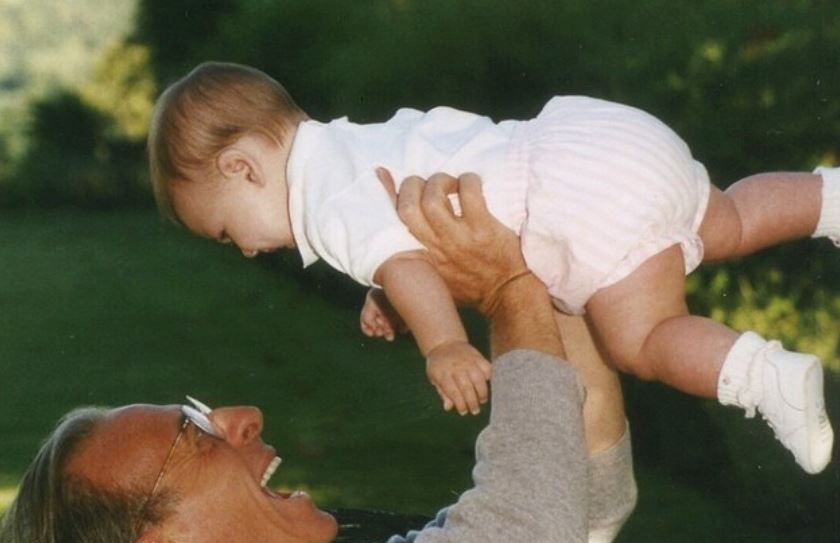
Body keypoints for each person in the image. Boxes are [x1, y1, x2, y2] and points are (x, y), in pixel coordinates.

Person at [0, 173, 651, 543]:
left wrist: (548, 285)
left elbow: (568, 519)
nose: (244, 416)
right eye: (194, 433)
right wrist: (508, 289)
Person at [147, 61, 835, 474]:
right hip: (598, 139)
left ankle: (767, 376)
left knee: (644, 339)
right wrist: (387, 289)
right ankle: (827, 199)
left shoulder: (323, 204)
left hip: (574, 199)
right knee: (730, 221)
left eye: (227, 231)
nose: (245, 248)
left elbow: (405, 262)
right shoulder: (346, 143)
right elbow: (404, 247)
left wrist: (444, 344)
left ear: (241, 167)